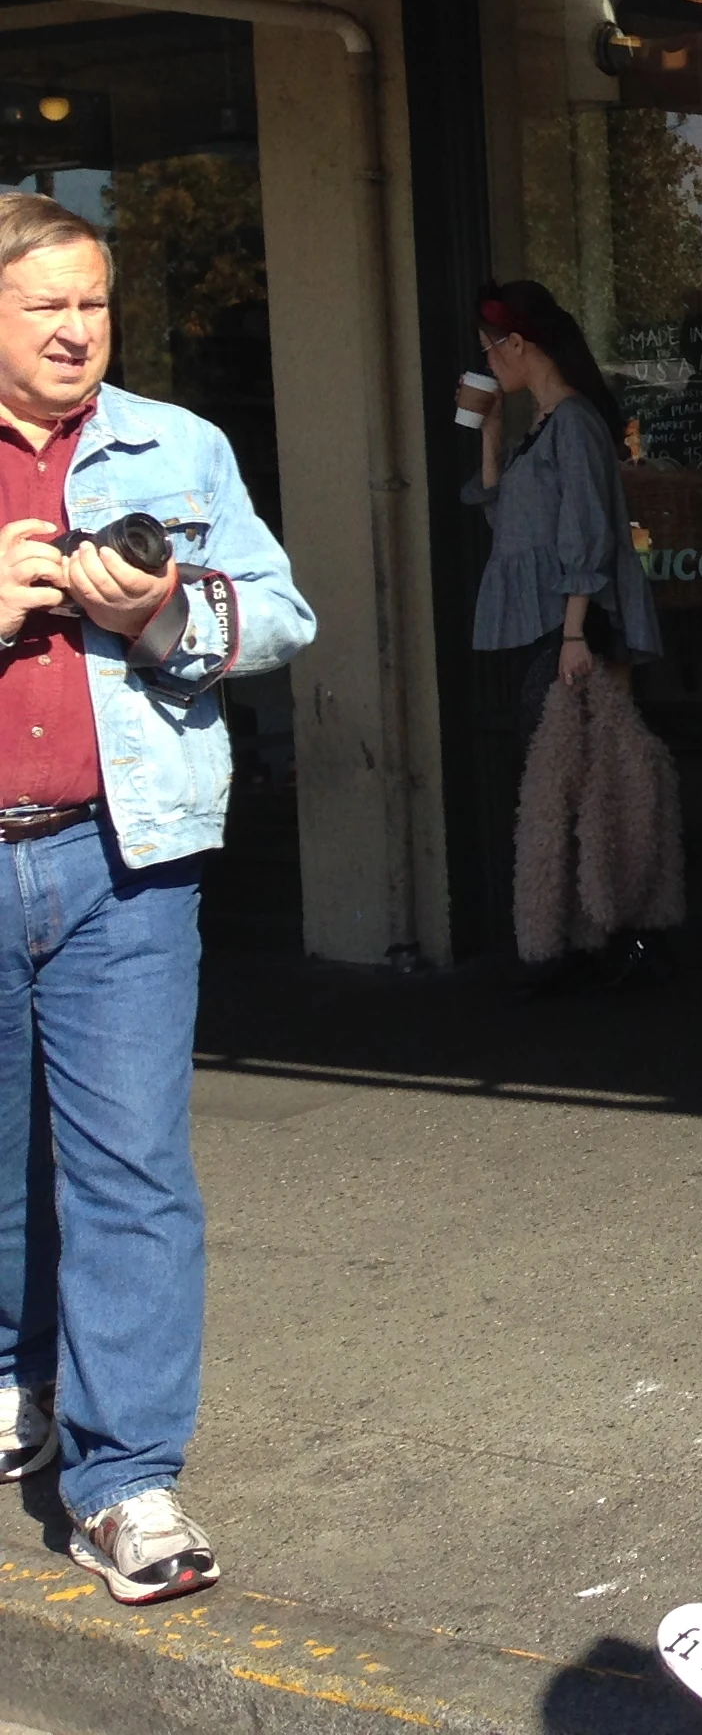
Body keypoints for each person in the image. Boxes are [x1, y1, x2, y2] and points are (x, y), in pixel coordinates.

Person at [0, 192, 312, 1604]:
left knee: (128, 1170)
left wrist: (166, 617)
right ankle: (16, 1388)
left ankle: (124, 1481)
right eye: (44, 306)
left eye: (95, 303)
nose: (77, 330)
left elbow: (284, 613)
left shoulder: (176, 445)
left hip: (121, 859)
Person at [465, 282, 662, 737]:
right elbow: (508, 525)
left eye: (488, 351)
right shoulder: (543, 421)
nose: (487, 364)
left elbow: (588, 530)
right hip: (544, 621)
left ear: (515, 344)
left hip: (569, 624)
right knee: (553, 772)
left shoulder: (572, 422)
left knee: (575, 774)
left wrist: (574, 636)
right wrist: (490, 433)